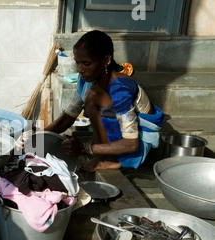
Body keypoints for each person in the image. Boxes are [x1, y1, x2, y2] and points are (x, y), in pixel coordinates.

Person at [44, 30, 165, 173]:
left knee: (94, 95)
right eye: (78, 63)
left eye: (86, 63)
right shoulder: (85, 80)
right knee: (92, 94)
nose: (80, 69)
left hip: (134, 146)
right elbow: (68, 117)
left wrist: (85, 148)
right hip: (119, 135)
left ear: (106, 60)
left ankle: (109, 158)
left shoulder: (121, 88)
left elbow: (131, 143)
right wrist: (37, 135)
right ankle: (102, 149)